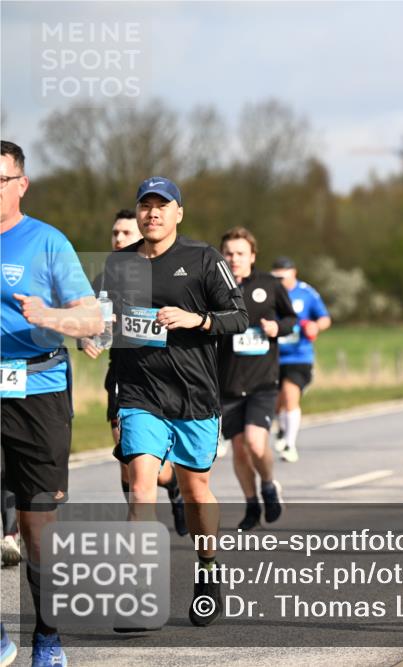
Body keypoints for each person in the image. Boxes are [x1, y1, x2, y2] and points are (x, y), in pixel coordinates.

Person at [102, 176, 248, 628]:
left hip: (194, 395)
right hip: (140, 392)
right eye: (145, 205)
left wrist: (196, 319)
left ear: (178, 213)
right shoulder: (118, 262)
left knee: (194, 490)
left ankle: (207, 566)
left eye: (162, 206)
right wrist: (97, 330)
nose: (152, 213)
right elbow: (103, 312)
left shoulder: (202, 259)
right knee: (142, 485)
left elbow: (238, 317)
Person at [1, 140, 102, 666]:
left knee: (38, 526)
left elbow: (92, 320)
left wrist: (49, 317)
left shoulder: (46, 242)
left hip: (35, 393)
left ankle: (47, 635)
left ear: (21, 184)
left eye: (0, 179)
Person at [79, 209, 187, 536]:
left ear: (140, 236)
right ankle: (138, 524)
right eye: (114, 234)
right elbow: (90, 321)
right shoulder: (105, 277)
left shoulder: (162, 274)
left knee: (157, 471)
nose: (118, 239)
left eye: (125, 234)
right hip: (125, 379)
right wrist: (86, 336)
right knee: (129, 462)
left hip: (168, 377)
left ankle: (175, 484)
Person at [218, 228, 297, 529]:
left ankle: (268, 484)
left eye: (240, 253)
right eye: (228, 253)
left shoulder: (269, 285)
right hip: (227, 382)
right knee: (239, 449)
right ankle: (251, 504)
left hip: (263, 381)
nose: (234, 259)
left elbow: (291, 319)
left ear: (252, 256)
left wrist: (278, 328)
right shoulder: (213, 286)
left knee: (255, 442)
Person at [272, 257, 331, 463]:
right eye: (275, 277)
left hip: (299, 356)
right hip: (272, 356)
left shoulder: (307, 293)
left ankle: (289, 445)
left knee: (290, 395)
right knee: (276, 403)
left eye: (283, 277)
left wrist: (316, 326)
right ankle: (281, 428)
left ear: (293, 273)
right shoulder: (268, 292)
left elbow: (325, 318)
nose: (279, 280)